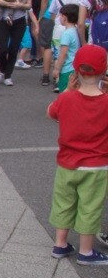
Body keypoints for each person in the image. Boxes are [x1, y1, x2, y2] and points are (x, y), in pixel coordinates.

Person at [47, 44, 108, 265]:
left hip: (66, 163)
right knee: (89, 206)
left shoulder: (66, 99)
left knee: (64, 202)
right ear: (104, 70)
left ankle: (60, 244)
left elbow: (51, 112)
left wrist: (66, 91)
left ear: (76, 70)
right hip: (96, 165)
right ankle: (86, 251)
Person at [38, 0, 68, 86]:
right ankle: (60, 76)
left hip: (50, 14)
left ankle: (46, 75)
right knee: (63, 46)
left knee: (47, 46)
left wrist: (41, 15)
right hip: (67, 15)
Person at [51, 4, 81, 93]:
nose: (59, 18)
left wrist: (57, 69)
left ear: (64, 17)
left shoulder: (66, 34)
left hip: (67, 69)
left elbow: (63, 53)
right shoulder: (76, 31)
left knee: (65, 93)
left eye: (60, 15)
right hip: (75, 67)